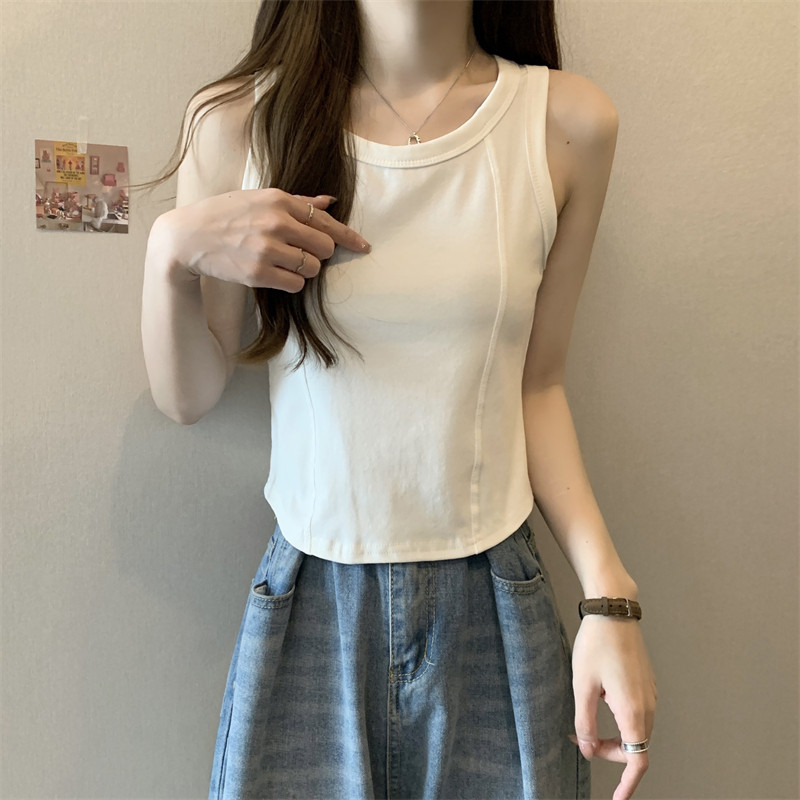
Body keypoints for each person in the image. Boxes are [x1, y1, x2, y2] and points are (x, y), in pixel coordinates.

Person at [138, 1, 657, 798]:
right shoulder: (240, 122)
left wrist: (609, 598)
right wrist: (170, 251)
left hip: (493, 599)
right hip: (312, 603)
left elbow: (538, 383)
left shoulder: (567, 124)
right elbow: (190, 396)